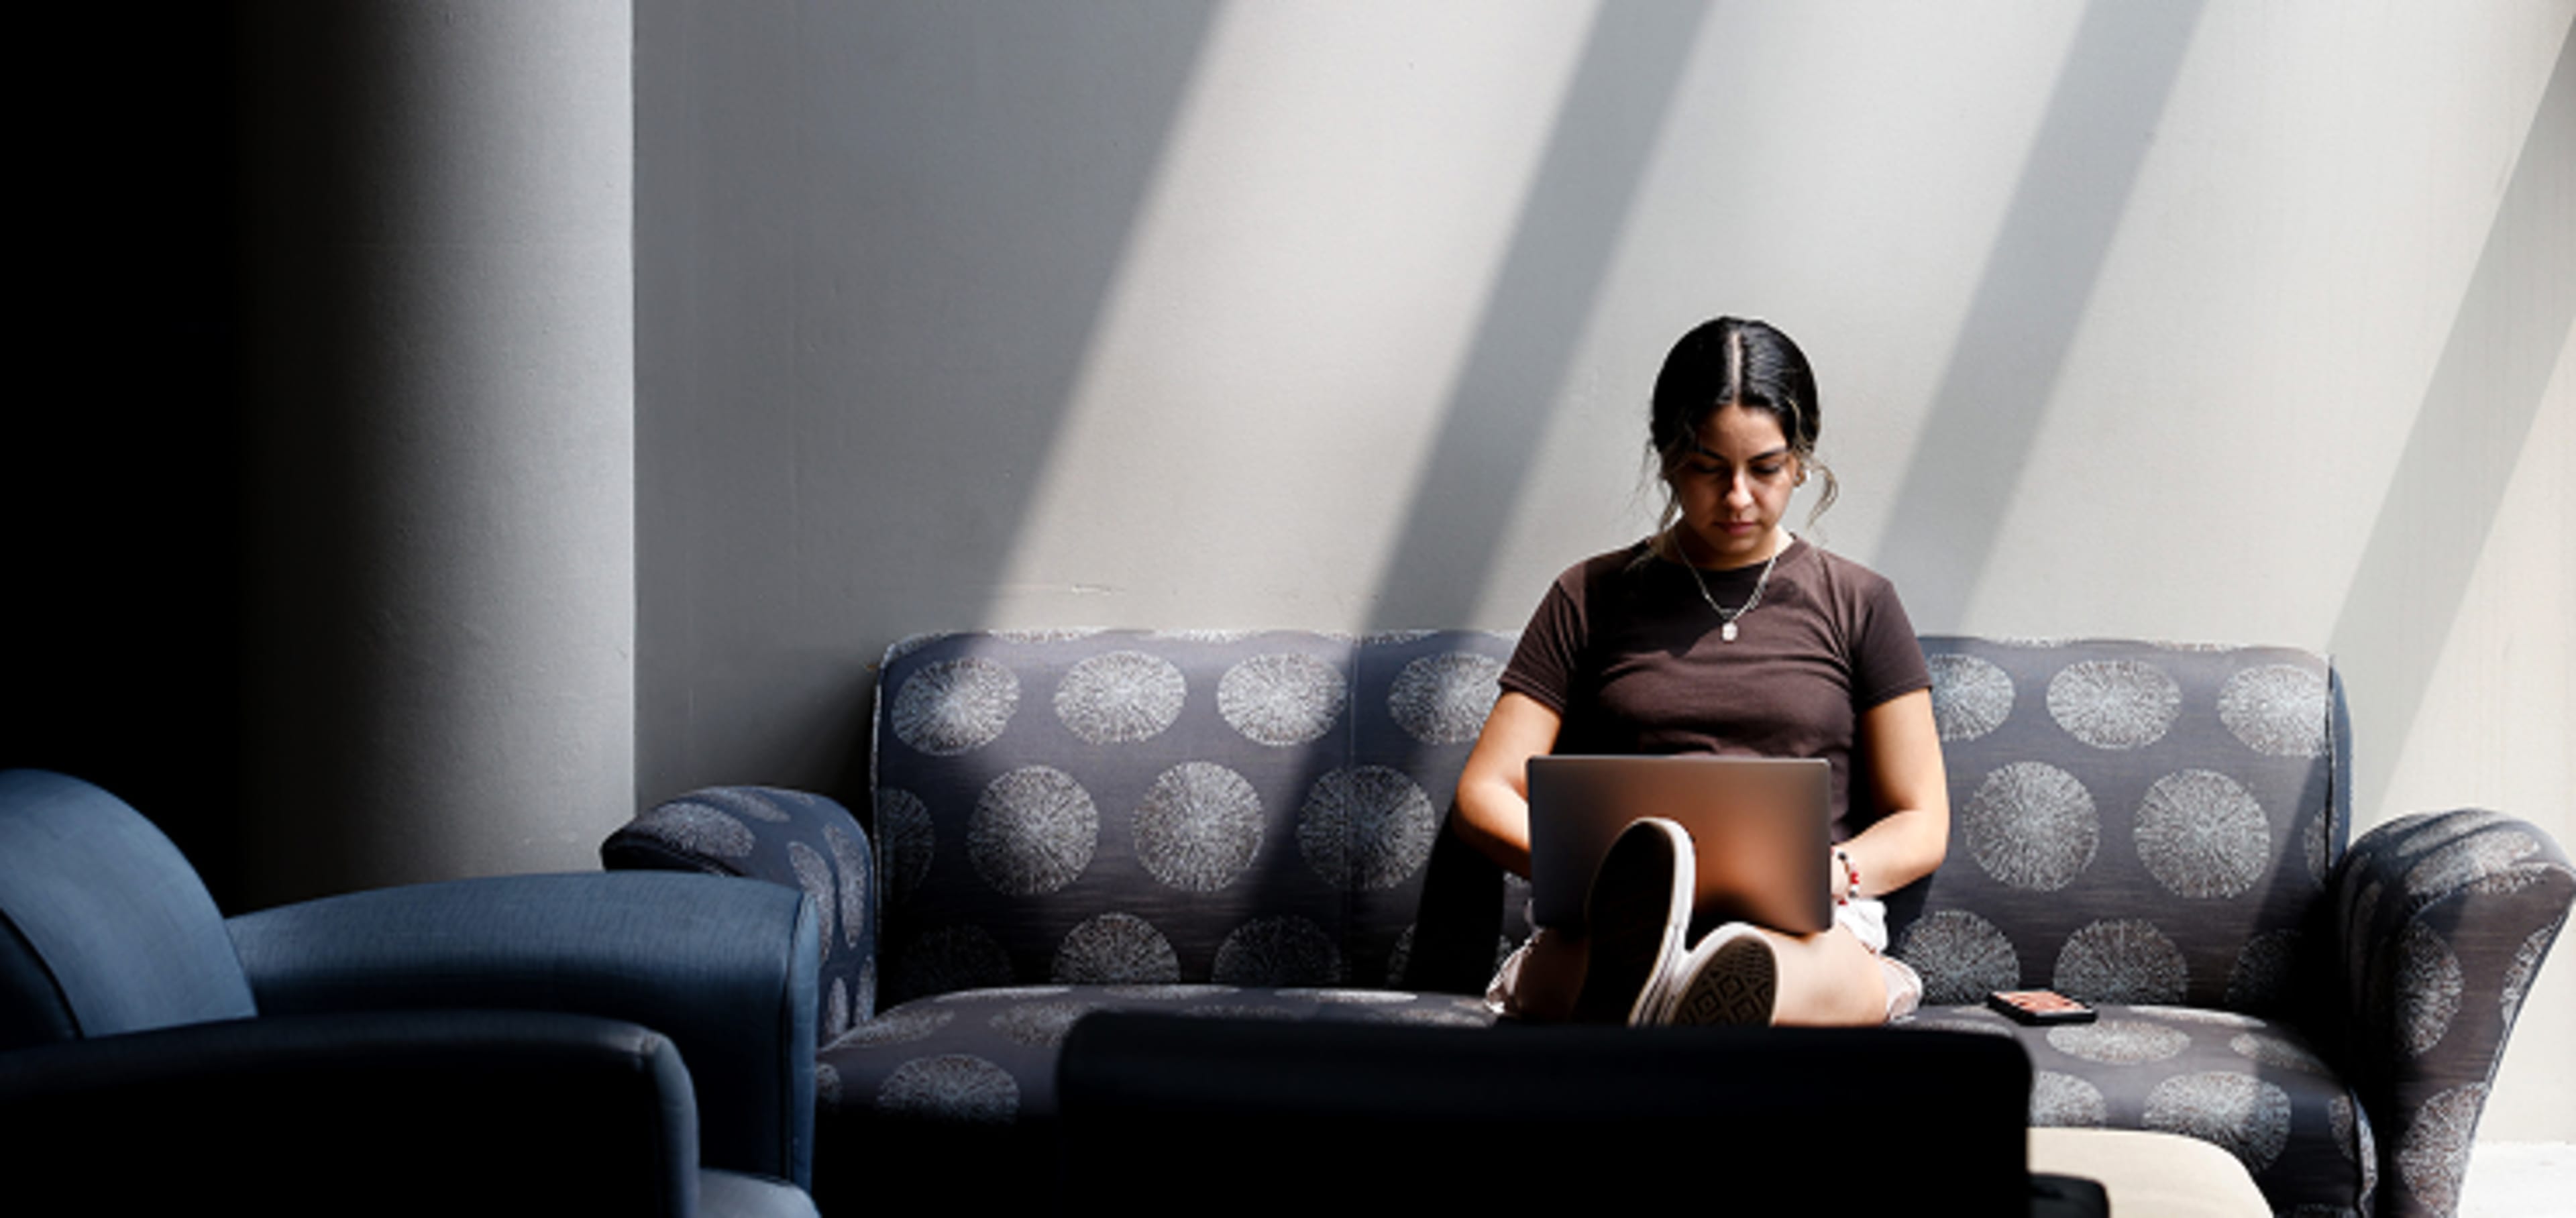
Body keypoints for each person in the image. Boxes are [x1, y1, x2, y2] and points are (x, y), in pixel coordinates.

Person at [1453, 316, 1947, 1027]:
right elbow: (1484, 791)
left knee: (1806, 966)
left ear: (1802, 461)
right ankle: (1668, 986)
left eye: (1766, 468)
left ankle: (1690, 995)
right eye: (1709, 468)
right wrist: (1606, 874)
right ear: (1666, 457)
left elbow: (1922, 817)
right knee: (1570, 962)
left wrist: (1833, 872)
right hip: (1618, 916)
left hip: (1803, 929)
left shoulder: (1861, 603)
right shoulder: (1589, 596)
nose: (1739, 497)